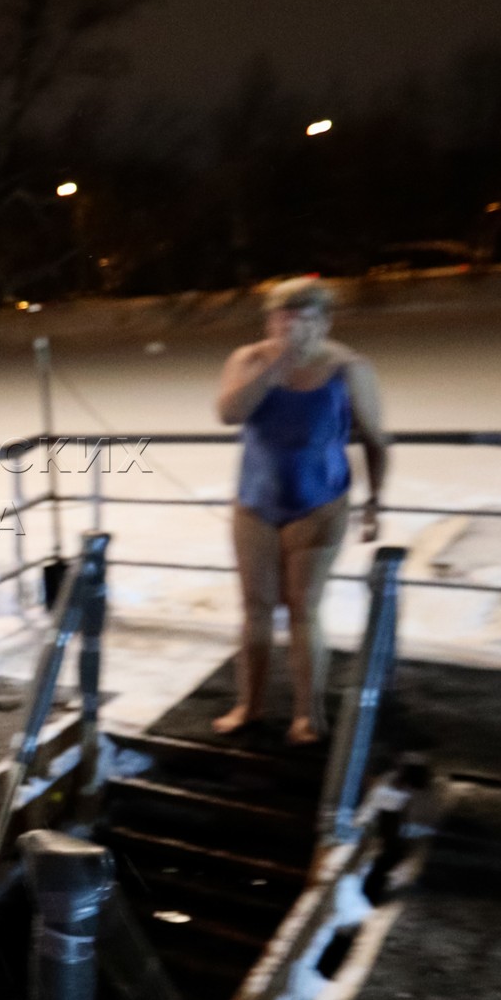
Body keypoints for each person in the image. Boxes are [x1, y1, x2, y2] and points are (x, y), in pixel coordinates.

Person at [212, 277, 388, 746]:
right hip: (255, 503)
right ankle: (249, 706)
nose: (289, 328)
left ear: (324, 322)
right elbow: (229, 414)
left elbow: (376, 440)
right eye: (281, 318)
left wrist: (374, 503)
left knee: (303, 609)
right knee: (255, 609)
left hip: (319, 503)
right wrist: (276, 367)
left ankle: (308, 716)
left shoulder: (348, 368)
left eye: (302, 319)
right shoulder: (249, 360)